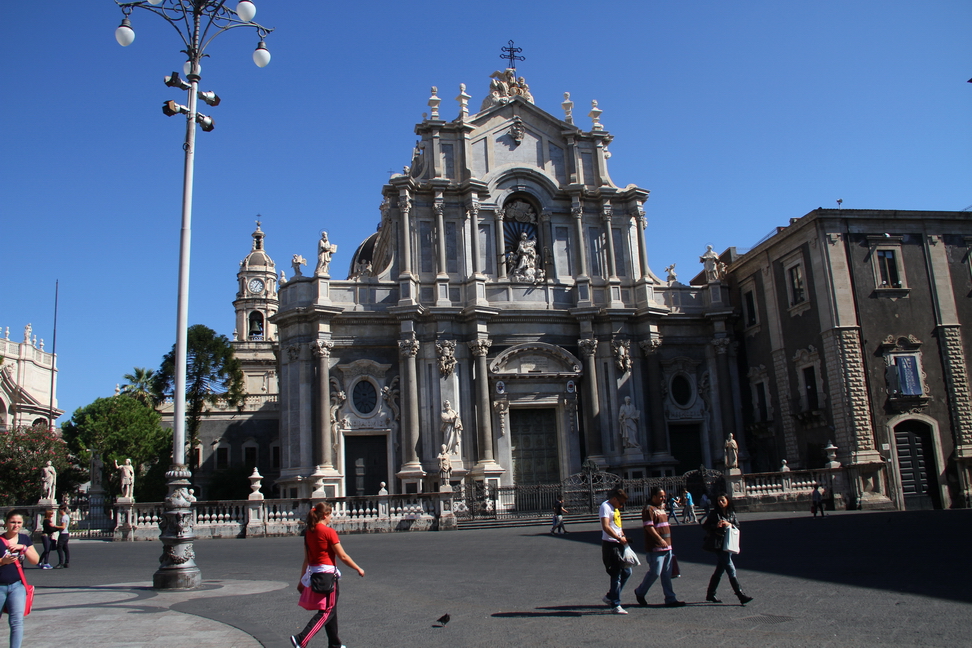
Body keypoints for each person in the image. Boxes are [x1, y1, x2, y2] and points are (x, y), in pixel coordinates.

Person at [291, 502, 365, 648]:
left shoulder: (308, 532)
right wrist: (358, 568)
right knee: (327, 610)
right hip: (328, 576)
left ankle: (335, 644)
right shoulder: (328, 532)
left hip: (315, 575)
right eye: (330, 514)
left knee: (331, 610)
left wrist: (301, 581)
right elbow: (342, 556)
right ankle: (301, 639)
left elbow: (306, 560)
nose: (331, 517)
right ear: (324, 515)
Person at [633, 487, 685, 608]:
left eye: (664, 496)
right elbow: (649, 527)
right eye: (660, 496)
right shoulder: (648, 509)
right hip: (655, 547)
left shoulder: (661, 508)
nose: (663, 498)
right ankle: (640, 591)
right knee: (655, 572)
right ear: (653, 496)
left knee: (666, 574)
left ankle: (670, 598)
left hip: (667, 546)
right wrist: (660, 539)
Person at [702, 493, 753, 605]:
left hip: (729, 543)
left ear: (727, 500)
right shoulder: (715, 514)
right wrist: (716, 526)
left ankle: (710, 593)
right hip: (718, 544)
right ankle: (740, 595)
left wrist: (729, 524)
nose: (720, 502)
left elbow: (737, 526)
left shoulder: (731, 513)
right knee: (730, 568)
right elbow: (705, 526)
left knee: (720, 569)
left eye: (722, 500)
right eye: (719, 500)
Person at [0, 510, 41, 648]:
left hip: (17, 586)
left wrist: (23, 548)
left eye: (18, 522)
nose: (15, 525)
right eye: (12, 522)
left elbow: (35, 560)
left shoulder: (24, 539)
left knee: (17, 621)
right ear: (6, 523)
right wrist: (2, 561)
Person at [599, 487, 631, 614]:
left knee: (627, 571)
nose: (622, 506)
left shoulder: (615, 508)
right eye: (621, 503)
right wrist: (618, 537)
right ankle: (615, 604)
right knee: (616, 574)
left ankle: (611, 596)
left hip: (619, 543)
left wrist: (623, 536)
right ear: (614, 499)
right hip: (610, 544)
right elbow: (606, 526)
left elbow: (618, 526)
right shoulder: (605, 507)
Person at [53, 504, 70, 568]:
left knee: (59, 548)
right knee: (65, 548)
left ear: (62, 510)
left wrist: (55, 526)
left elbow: (63, 527)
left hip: (63, 534)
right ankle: (66, 562)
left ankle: (61, 562)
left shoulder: (63, 517)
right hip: (66, 534)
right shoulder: (67, 516)